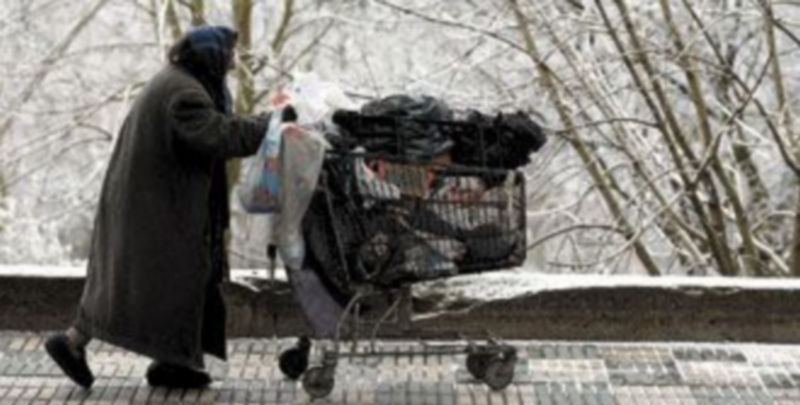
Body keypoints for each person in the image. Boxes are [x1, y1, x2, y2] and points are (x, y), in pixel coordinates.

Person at [44, 25, 281, 389]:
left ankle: (168, 363)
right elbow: (220, 136)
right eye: (229, 54)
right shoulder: (184, 95)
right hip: (161, 208)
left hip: (155, 202)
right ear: (211, 57)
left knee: (155, 283)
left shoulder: (177, 81)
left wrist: (263, 119)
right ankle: (78, 343)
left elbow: (220, 127)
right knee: (168, 281)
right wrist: (271, 122)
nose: (234, 62)